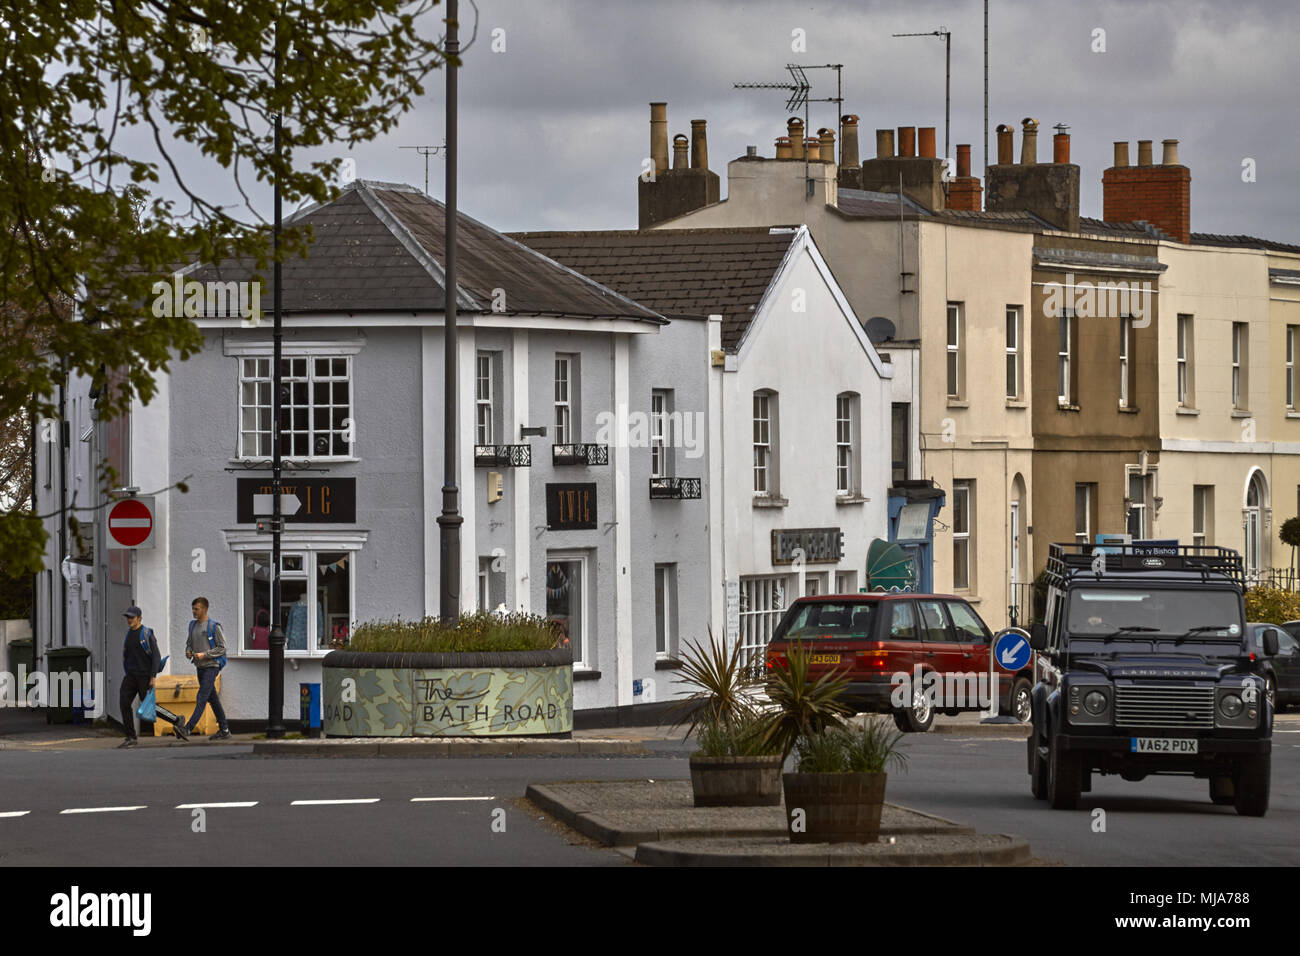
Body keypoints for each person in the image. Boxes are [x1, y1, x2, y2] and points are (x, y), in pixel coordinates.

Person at [118, 605, 186, 746]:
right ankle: (131, 737)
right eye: (128, 617)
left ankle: (177, 720)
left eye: (132, 617)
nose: (129, 620)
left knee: (150, 706)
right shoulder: (129, 634)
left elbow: (156, 656)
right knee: (124, 703)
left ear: (139, 618)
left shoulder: (147, 634)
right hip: (131, 676)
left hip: (144, 676)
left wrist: (153, 677)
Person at [179, 596, 231, 740]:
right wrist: (188, 652)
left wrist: (205, 654)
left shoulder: (214, 626)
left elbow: (222, 648)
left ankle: (188, 728)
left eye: (197, 609)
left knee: (202, 696)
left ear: (205, 609)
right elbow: (189, 643)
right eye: (193, 609)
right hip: (200, 666)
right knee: (212, 698)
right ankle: (224, 729)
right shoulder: (192, 625)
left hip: (212, 666)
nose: (194, 611)